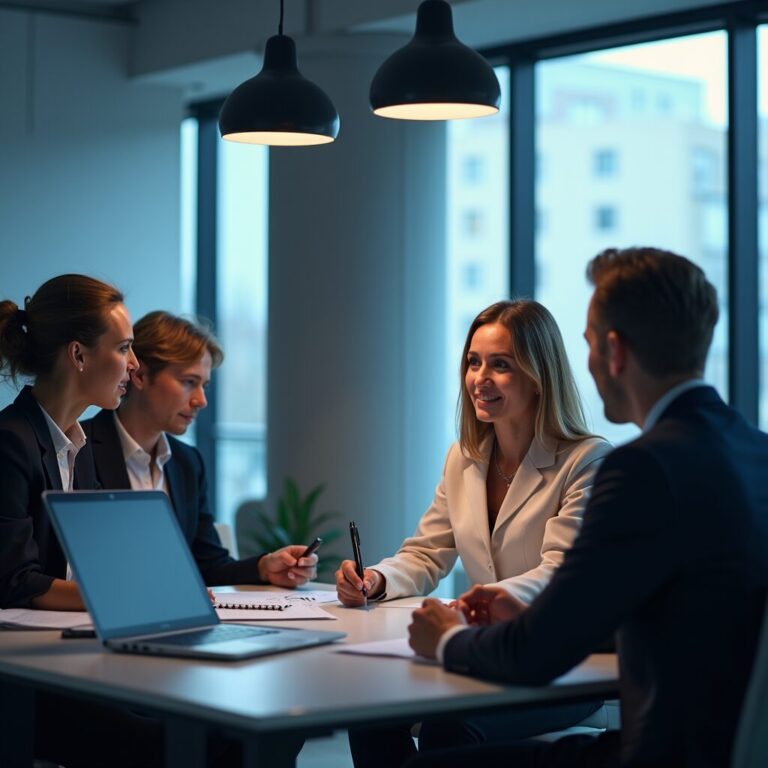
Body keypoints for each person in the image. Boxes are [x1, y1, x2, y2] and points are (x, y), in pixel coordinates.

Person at [407, 247, 768, 768]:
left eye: (590, 346)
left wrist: (448, 641)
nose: (591, 365)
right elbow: (697, 613)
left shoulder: (640, 470)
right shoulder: (756, 453)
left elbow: (536, 654)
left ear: (615, 351)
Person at [337, 299, 612, 765]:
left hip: (560, 664)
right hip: (483, 653)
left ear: (538, 376)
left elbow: (558, 574)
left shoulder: (585, 460)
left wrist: (469, 605)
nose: (479, 379)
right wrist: (377, 579)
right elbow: (427, 553)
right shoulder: (465, 457)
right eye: (473, 362)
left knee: (452, 728)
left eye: (500, 365)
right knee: (371, 711)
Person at [0, 274, 169, 767]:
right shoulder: (10, 442)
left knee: (222, 724)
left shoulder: (81, 447)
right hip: (34, 679)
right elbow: (15, 583)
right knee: (177, 736)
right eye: (124, 348)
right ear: (78, 355)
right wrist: (130, 598)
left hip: (84, 657)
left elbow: (97, 563)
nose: (134, 366)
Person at [77, 310, 317, 587]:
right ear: (140, 375)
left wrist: (264, 567)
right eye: (189, 382)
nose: (201, 400)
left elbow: (207, 566)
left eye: (204, 385)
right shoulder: (78, 448)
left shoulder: (187, 463)